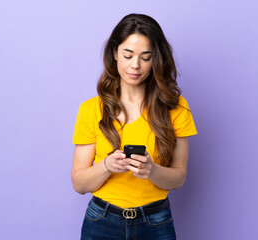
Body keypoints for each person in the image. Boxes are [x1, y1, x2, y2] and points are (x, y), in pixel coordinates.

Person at [72, 13, 197, 240]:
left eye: (145, 57)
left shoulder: (176, 107)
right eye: (128, 55)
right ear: (114, 54)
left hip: (156, 222)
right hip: (101, 221)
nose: (135, 65)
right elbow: (79, 184)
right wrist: (106, 165)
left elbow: (179, 178)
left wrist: (152, 170)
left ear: (155, 59)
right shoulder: (91, 109)